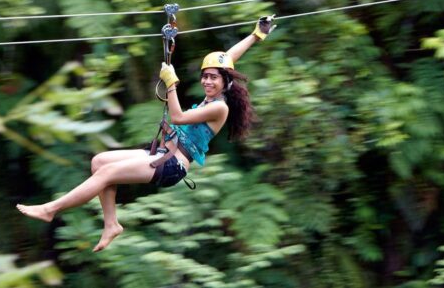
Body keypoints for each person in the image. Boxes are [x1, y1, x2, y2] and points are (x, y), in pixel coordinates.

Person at [16, 15, 276, 252]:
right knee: (99, 162)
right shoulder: (213, 96)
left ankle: (51, 209)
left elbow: (178, 117)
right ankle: (111, 225)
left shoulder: (219, 108)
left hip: (174, 165)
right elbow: (228, 58)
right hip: (163, 152)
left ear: (225, 82)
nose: (207, 81)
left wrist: (171, 82)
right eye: (205, 76)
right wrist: (256, 35)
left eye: (213, 78)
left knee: (108, 173)